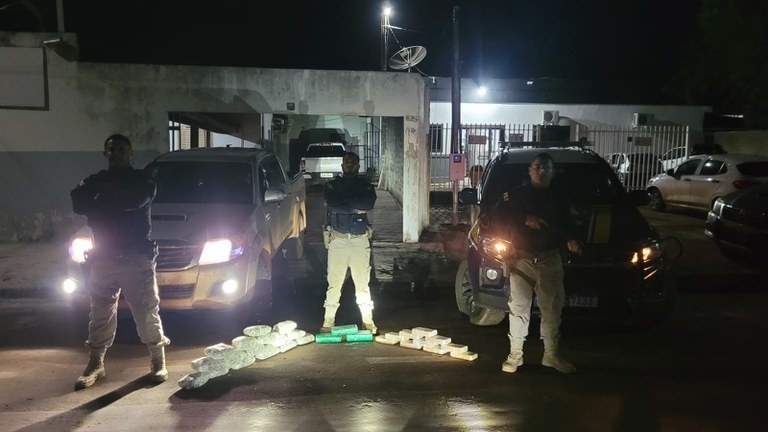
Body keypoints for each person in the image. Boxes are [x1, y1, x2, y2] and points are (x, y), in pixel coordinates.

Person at [70, 133, 170, 390]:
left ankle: (158, 361)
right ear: (105, 154)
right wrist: (112, 201)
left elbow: (135, 200)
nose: (116, 153)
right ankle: (96, 364)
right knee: (100, 313)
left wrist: (99, 202)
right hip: (103, 256)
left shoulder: (142, 180)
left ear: (131, 153)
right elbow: (77, 201)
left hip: (135, 256)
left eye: (121, 149)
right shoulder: (97, 179)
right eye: (112, 149)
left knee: (146, 311)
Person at [482, 152, 582, 374]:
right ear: (529, 170)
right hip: (521, 258)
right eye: (537, 166)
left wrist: (572, 240)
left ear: (553, 173)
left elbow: (568, 225)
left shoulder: (560, 198)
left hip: (549, 258)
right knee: (518, 308)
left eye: (546, 167)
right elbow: (496, 216)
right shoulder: (515, 195)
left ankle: (551, 356)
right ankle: (515, 355)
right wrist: (524, 219)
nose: (541, 170)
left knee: (552, 309)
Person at [320, 152, 378, 334]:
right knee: (334, 283)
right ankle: (328, 322)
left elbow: (368, 204)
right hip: (338, 240)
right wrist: (355, 206)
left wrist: (345, 201)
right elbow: (332, 204)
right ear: (342, 165)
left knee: (362, 285)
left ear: (358, 165)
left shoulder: (365, 185)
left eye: (353, 162)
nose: (350, 165)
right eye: (347, 162)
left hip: (359, 240)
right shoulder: (333, 185)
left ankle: (368, 323)